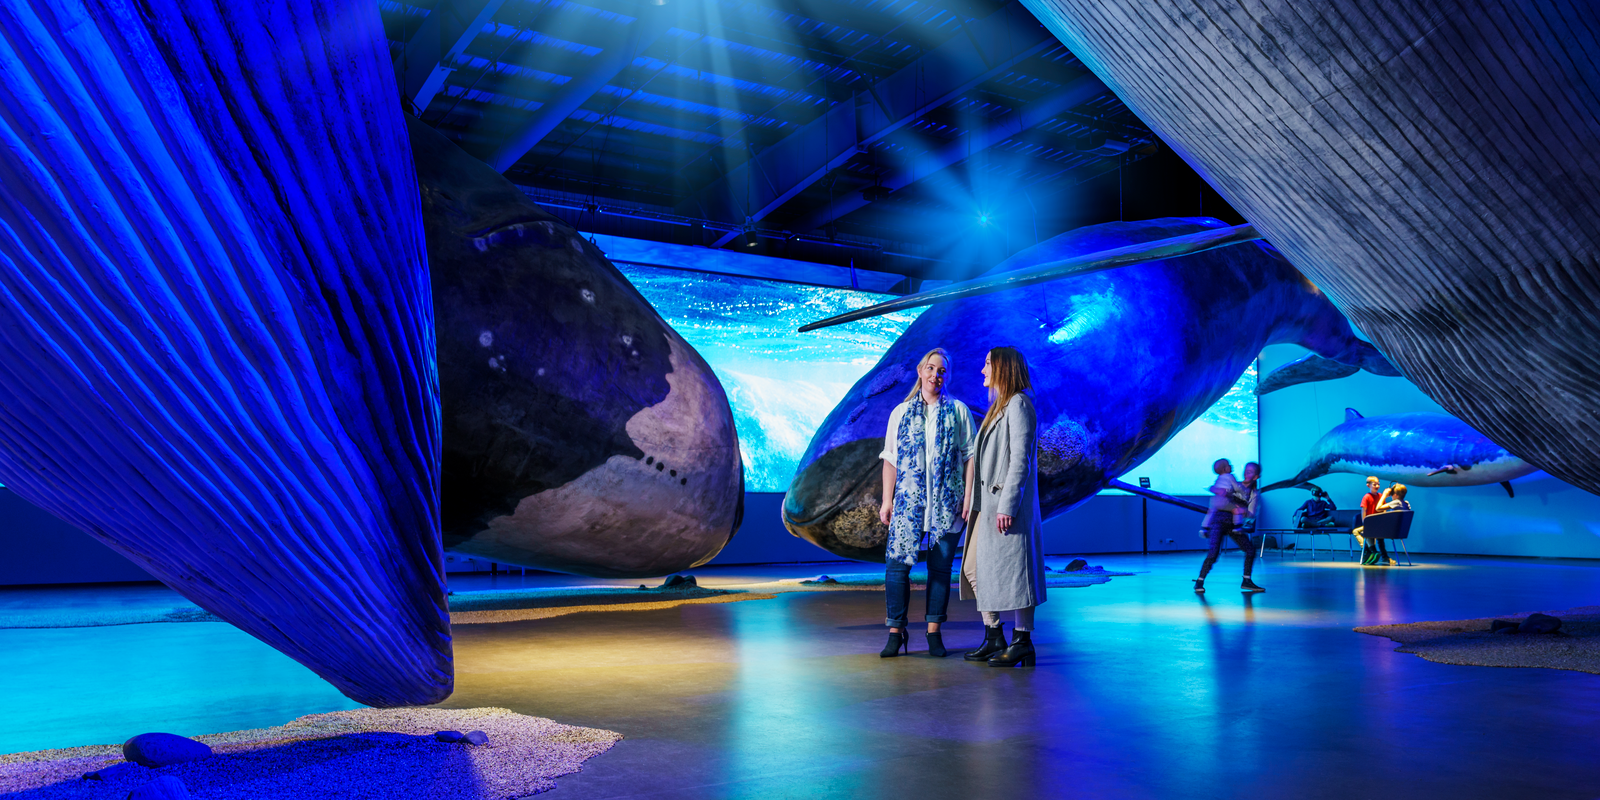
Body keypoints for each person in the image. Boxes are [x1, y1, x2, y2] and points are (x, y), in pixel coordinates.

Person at [877, 348, 976, 658]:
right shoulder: (900, 412)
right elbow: (890, 460)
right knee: (896, 569)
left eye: (942, 370)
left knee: (940, 570)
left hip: (946, 504)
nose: (936, 374)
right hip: (908, 505)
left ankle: (934, 633)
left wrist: (969, 496)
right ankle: (896, 631)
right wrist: (886, 499)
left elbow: (970, 455)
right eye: (931, 368)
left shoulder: (959, 411)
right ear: (921, 371)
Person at [960, 346, 1047, 668]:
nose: (982, 370)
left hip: (1005, 506)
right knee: (973, 569)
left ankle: (1023, 640)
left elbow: (1019, 461)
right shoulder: (1000, 406)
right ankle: (994, 634)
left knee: (1019, 575)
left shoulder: (1019, 404)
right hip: (987, 504)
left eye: (987, 364)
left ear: (1003, 368)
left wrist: (1007, 505)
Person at [1194, 458, 1263, 593]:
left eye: (1250, 472)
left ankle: (1247, 580)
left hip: (1234, 524)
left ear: (1256, 476)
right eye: (1245, 471)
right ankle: (1199, 581)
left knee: (1250, 550)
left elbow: (1251, 513)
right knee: (1213, 553)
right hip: (1219, 520)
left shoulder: (1254, 493)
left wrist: (1243, 511)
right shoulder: (1233, 483)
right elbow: (1216, 496)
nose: (1246, 474)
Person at [1352, 476, 1392, 566]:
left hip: (1376, 524)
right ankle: (1375, 552)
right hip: (1372, 523)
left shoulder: (1380, 496)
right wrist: (1365, 522)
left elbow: (1383, 509)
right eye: (1374, 484)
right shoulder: (1367, 497)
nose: (1377, 486)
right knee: (1370, 535)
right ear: (1368, 485)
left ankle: (1369, 551)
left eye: (1378, 484)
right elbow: (1364, 510)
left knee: (1356, 531)